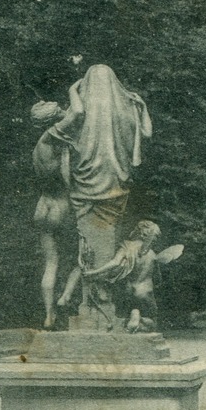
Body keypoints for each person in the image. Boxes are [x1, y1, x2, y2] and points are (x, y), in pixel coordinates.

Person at [46, 64, 152, 329]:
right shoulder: (126, 113)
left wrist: (73, 89)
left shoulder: (80, 114)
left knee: (89, 243)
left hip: (84, 190)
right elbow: (147, 134)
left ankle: (91, 306)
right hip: (116, 189)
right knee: (106, 240)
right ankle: (99, 303)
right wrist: (141, 107)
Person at [82, 220, 183, 332]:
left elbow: (115, 262)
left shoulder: (127, 246)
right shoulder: (153, 254)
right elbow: (157, 279)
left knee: (126, 315)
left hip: (128, 289)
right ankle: (138, 319)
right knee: (152, 322)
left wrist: (94, 272)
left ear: (138, 232)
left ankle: (134, 315)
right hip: (145, 291)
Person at [29, 100, 79, 328]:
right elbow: (76, 112)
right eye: (58, 109)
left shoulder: (40, 145)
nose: (62, 110)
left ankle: (49, 315)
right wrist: (75, 88)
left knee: (51, 262)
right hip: (61, 205)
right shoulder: (52, 135)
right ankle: (66, 295)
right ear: (52, 119)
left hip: (43, 205)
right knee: (85, 257)